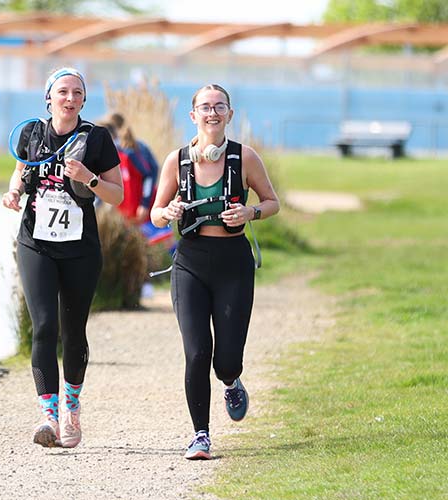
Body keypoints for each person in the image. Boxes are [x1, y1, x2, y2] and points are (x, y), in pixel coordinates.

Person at [150, 84, 280, 460]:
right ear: (192, 116)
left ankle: (231, 380)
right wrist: (168, 213)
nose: (212, 112)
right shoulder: (176, 161)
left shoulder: (245, 157)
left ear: (229, 114)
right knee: (196, 352)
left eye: (218, 106)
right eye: (204, 107)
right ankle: (201, 436)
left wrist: (249, 212)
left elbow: (272, 202)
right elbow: (155, 213)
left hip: (233, 263)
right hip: (189, 262)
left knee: (225, 359)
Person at [2, 67, 123, 448]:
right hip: (36, 243)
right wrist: (14, 193)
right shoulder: (31, 134)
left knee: (73, 333)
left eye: (77, 93)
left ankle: (72, 407)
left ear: (84, 101)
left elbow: (117, 195)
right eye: (63, 92)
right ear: (48, 98)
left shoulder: (97, 138)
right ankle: (49, 417)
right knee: (43, 327)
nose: (69, 99)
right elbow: (20, 171)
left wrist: (88, 177)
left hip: (80, 249)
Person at [105, 112, 160, 224]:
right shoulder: (114, 152)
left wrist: (145, 203)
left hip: (144, 204)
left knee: (161, 238)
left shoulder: (131, 151)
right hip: (128, 208)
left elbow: (150, 173)